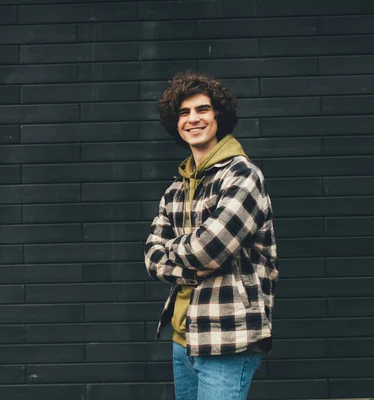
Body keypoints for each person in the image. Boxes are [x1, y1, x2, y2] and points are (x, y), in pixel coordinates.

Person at [144, 71, 279, 400]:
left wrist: (177, 252)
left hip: (228, 337)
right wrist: (190, 260)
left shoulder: (243, 177)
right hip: (183, 336)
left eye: (202, 110)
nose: (193, 119)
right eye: (184, 112)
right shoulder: (177, 187)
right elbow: (152, 256)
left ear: (219, 116)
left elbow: (209, 249)